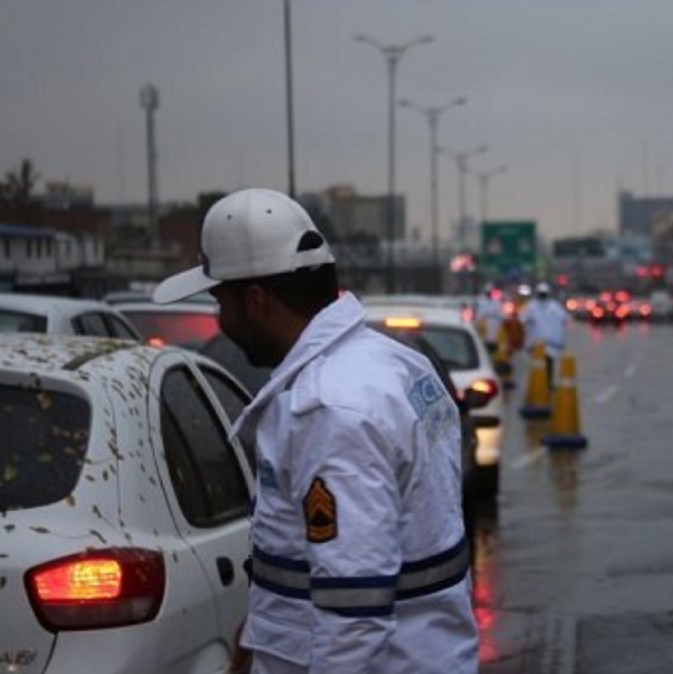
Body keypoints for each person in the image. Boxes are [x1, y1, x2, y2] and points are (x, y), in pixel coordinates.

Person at [153, 188, 478, 674]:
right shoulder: (398, 366)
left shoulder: (330, 410)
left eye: (221, 301)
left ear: (257, 300)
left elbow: (355, 616)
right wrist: (253, 642)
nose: (222, 321)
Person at [519, 281, 570, 388]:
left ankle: (546, 384)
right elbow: (522, 320)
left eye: (543, 294)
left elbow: (565, 319)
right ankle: (541, 384)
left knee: (546, 364)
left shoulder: (553, 307)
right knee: (540, 365)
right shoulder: (532, 307)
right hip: (537, 344)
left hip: (549, 343)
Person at [474, 283, 505, 354]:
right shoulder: (481, 301)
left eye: (490, 292)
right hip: (484, 326)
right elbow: (479, 315)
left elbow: (501, 315)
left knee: (495, 345)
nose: (489, 294)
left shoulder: (497, 301)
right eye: (488, 292)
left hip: (495, 325)